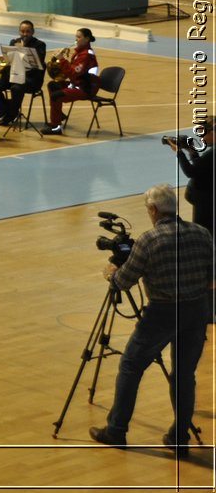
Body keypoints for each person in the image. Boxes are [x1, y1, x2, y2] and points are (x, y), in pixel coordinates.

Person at [89, 184, 214, 456]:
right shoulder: (202, 234)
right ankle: (179, 439)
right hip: (197, 311)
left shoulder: (150, 240)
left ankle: (116, 430)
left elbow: (123, 282)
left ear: (154, 210)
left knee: (131, 366)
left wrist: (111, 272)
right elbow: (213, 278)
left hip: (162, 314)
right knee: (184, 375)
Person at [42, 28, 100, 135]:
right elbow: (73, 72)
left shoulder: (86, 55)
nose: (76, 40)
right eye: (76, 37)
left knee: (56, 96)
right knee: (53, 85)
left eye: (79, 37)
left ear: (87, 39)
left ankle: (56, 127)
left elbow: (73, 73)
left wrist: (62, 60)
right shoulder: (79, 53)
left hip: (85, 88)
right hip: (77, 84)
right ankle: (58, 115)